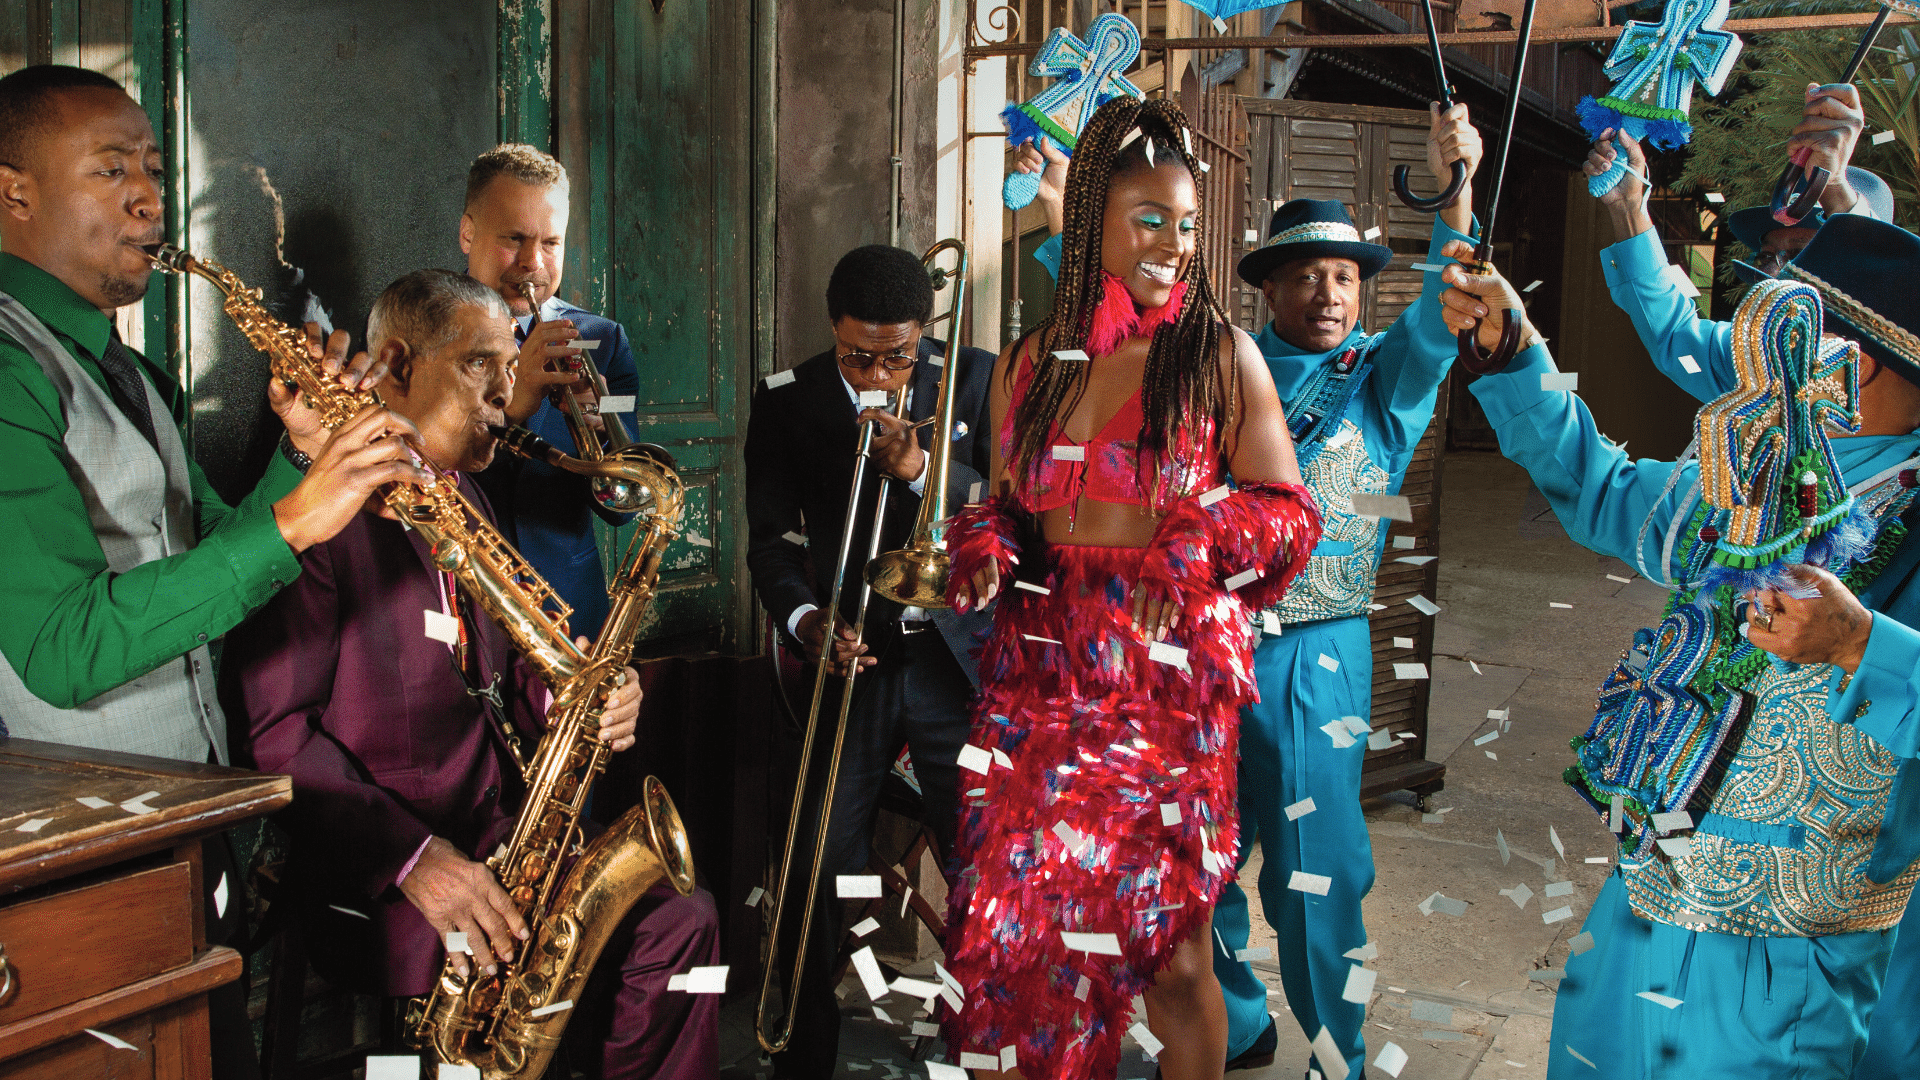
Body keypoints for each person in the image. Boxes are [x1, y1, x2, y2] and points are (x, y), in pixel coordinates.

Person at [1016, 100, 1484, 1076]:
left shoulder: (1381, 382)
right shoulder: (1208, 359)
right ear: (1267, 290)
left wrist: (1458, 187)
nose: (1328, 293)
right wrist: (1068, 210)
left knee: (1322, 875)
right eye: (1305, 275)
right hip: (1199, 650)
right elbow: (1115, 321)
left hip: (1321, 656)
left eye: (1347, 277)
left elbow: (1446, 306)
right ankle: (1237, 1020)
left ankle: (1337, 1052)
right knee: (1199, 869)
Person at [0, 63, 415, 1080]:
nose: (150, 197)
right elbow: (62, 648)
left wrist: (302, 459)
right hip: (80, 859)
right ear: (11, 191)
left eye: (152, 166)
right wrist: (292, 522)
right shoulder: (8, 367)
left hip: (194, 824)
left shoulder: (129, 369)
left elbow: (215, 557)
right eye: (110, 172)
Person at [1440, 216, 1920, 1079]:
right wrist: (1517, 355)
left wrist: (1861, 644)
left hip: (1784, 961)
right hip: (1646, 889)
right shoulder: (1752, 470)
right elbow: (1604, 489)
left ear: (1853, 363)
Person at [223, 269, 720, 1080]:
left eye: (512, 361)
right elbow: (272, 738)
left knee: (680, 922)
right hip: (382, 874)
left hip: (497, 842)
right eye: (481, 363)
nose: (509, 387)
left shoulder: (468, 500)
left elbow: (494, 669)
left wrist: (573, 698)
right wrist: (418, 862)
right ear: (397, 363)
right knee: (522, 971)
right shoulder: (316, 516)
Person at [940, 95, 1320, 1080]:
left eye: (1187, 224)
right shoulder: (1026, 363)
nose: (1173, 244)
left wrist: (1194, 541)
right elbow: (1014, 511)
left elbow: (1287, 518)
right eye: (1150, 218)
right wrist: (984, 543)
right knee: (1037, 950)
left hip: (1162, 688)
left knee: (1174, 957)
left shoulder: (1217, 356)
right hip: (1041, 689)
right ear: (1090, 224)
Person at [1586, 85, 1920, 1080]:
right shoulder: (1764, 422)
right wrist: (1631, 215)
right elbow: (1681, 340)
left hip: (1848, 868)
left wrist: (1864, 646)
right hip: (1704, 821)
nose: (1776, 343)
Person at [743, 242, 994, 1079]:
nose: (880, 370)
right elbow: (771, 545)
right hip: (849, 660)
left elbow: (1009, 511)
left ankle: (980, 1041)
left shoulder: (982, 380)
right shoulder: (787, 401)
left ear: (925, 334)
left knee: (983, 859)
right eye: (858, 353)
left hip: (954, 662)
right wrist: (809, 621)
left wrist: (920, 467)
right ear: (832, 331)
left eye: (898, 353)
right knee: (817, 853)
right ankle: (804, 1051)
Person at [1582, 82, 1887, 402]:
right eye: (1766, 256)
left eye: (1801, 255)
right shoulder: (1752, 368)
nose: (1775, 272)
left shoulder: (1900, 388)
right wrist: (1628, 208)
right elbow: (1675, 338)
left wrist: (1835, 189)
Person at [466, 143, 638, 640]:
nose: (532, 263)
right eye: (514, 239)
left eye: (551, 243)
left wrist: (602, 429)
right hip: (460, 597)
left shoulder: (602, 342)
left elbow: (620, 508)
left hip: (570, 603)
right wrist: (516, 409)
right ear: (467, 233)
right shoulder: (420, 331)